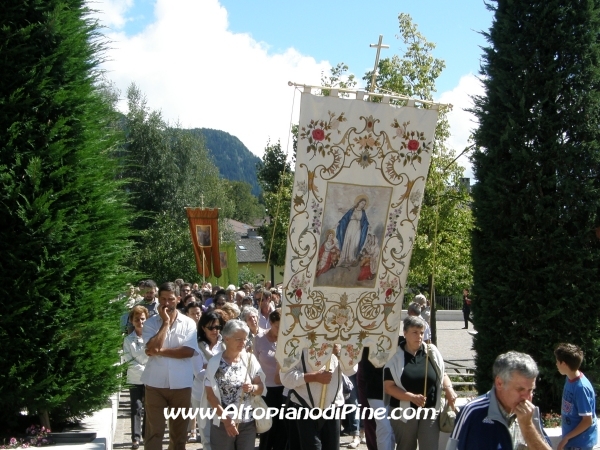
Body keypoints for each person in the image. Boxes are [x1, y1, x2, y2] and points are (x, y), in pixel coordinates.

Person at [446, 351, 551, 450]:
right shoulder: (473, 412)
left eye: (531, 390)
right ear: (499, 383)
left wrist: (527, 427)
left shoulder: (530, 414)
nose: (527, 397)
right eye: (520, 389)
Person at [142, 281, 200, 450]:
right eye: (163, 299)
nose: (166, 303)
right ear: (158, 299)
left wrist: (158, 351)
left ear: (178, 299)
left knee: (179, 434)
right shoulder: (151, 323)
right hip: (155, 384)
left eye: (171, 299)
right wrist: (165, 323)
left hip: (181, 385)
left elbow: (188, 352)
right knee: (155, 431)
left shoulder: (188, 323)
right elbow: (151, 348)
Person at [384, 315, 456, 450]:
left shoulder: (431, 352)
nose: (419, 336)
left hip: (430, 410)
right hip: (403, 411)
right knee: (406, 447)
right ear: (405, 333)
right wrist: (411, 397)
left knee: (430, 447)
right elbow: (389, 387)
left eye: (422, 333)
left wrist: (449, 388)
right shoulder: (395, 356)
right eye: (415, 332)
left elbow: (442, 373)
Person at [202, 319, 266, 450]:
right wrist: (226, 420)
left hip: (247, 422)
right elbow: (210, 396)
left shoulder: (250, 359)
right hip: (222, 423)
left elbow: (261, 387)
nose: (243, 343)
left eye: (245, 339)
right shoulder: (214, 363)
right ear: (227, 339)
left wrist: (252, 387)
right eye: (238, 339)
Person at [280, 348, 346, 450]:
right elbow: (285, 377)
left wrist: (338, 353)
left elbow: (352, 370)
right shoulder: (296, 340)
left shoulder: (341, 341)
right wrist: (314, 377)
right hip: (304, 406)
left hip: (333, 407)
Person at [191, 311, 226, 448]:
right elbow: (199, 373)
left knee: (222, 431)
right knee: (206, 433)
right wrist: (219, 366)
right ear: (203, 328)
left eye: (217, 327)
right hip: (201, 394)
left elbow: (231, 369)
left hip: (222, 395)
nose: (215, 331)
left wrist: (208, 366)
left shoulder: (225, 344)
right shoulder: (197, 346)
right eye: (211, 327)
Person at [554, 343, 597, 450]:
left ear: (563, 364)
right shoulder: (569, 378)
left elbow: (587, 420)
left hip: (580, 443)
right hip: (572, 440)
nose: (556, 364)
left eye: (557, 361)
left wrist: (566, 438)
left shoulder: (581, 388)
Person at [255, 310, 287, 450]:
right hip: (266, 390)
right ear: (271, 323)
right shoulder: (259, 339)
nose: (280, 330)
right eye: (277, 326)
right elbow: (254, 364)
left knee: (282, 428)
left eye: (283, 327)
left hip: (284, 388)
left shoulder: (287, 339)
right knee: (267, 427)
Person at [122, 305, 149, 450]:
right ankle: (135, 438)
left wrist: (148, 370)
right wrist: (145, 369)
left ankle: (145, 435)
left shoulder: (151, 337)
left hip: (151, 379)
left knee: (149, 408)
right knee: (136, 407)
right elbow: (128, 360)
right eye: (137, 319)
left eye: (143, 319)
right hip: (135, 379)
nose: (140, 322)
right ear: (132, 321)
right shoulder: (128, 340)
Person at [336, 195, 369, 267]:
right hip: (350, 226)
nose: (363, 205)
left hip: (357, 228)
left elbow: (365, 221)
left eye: (364, 204)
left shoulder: (363, 212)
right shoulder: (352, 210)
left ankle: (351, 259)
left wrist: (367, 225)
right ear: (359, 202)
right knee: (347, 241)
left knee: (355, 243)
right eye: (362, 203)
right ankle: (344, 258)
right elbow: (345, 217)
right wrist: (339, 222)